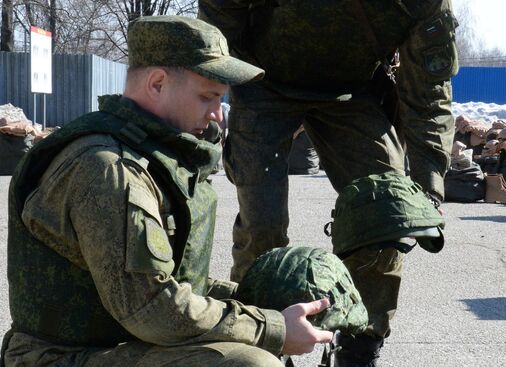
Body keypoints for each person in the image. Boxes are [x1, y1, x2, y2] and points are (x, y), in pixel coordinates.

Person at [2, 16, 332, 367]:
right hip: (60, 358)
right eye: (208, 97)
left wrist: (267, 302)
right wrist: (273, 328)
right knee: (250, 363)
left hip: (121, 345)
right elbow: (153, 307)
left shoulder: (155, 159)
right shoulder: (108, 168)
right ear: (157, 83)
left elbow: (183, 284)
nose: (218, 115)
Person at [198, 1, 459, 365]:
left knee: (388, 217)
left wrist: (427, 186)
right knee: (263, 226)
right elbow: (215, 35)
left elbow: (428, 96)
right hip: (262, 82)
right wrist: (198, 133)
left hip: (354, 92)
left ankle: (360, 345)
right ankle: (260, 340)